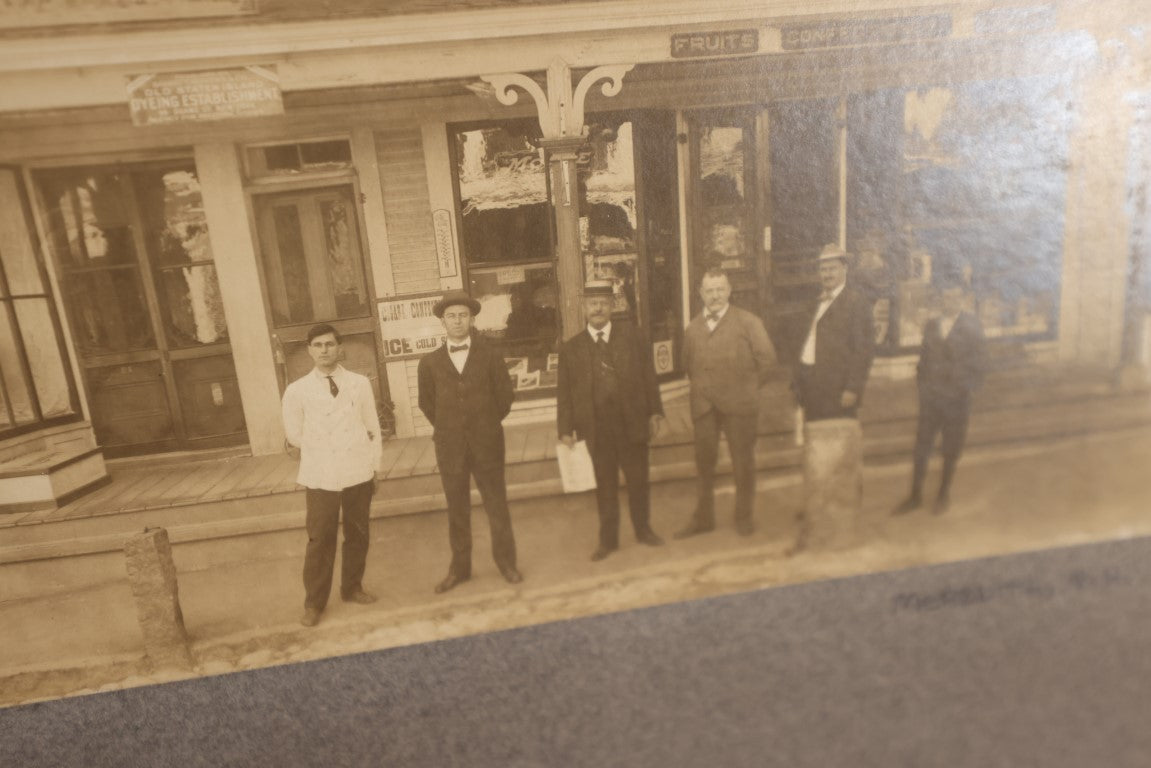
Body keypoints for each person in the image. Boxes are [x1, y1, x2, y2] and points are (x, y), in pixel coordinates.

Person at [418, 291, 522, 594]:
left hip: (487, 442)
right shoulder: (429, 363)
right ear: (442, 322)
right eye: (451, 316)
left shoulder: (490, 354)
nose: (458, 320)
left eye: (463, 315)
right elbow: (428, 404)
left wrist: (484, 425)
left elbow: (505, 397)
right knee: (457, 508)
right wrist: (451, 428)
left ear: (472, 319)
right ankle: (460, 569)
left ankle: (506, 563)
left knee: (496, 505)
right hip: (450, 447)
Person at [282, 324, 383, 628]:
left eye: (329, 344)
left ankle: (352, 588)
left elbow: (372, 427)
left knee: (357, 533)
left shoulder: (359, 383)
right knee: (320, 538)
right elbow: (295, 435)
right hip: (321, 474)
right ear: (309, 350)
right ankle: (314, 603)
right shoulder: (297, 390)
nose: (324, 350)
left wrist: (374, 467)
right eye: (318, 345)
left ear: (340, 348)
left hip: (357, 470)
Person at [557, 280, 666, 561]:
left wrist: (655, 411)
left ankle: (644, 530)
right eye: (592, 303)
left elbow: (648, 378)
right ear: (583, 308)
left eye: (604, 302)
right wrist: (565, 429)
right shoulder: (572, 349)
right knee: (605, 486)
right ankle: (608, 541)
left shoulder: (633, 338)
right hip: (596, 428)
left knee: (638, 481)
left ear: (613, 306)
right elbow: (565, 394)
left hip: (632, 423)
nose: (598, 308)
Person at [674, 268, 776, 539]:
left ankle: (743, 517)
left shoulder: (748, 322)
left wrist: (747, 390)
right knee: (704, 463)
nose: (715, 295)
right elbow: (687, 365)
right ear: (701, 294)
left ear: (729, 291)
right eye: (709, 290)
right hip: (704, 407)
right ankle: (704, 518)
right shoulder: (693, 328)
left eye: (720, 289)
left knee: (742, 462)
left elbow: (767, 361)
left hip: (739, 406)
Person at [894, 280, 987, 515]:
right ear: (940, 299)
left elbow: (981, 362)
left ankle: (943, 494)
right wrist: (923, 387)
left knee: (950, 448)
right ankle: (915, 496)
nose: (950, 301)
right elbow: (923, 360)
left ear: (963, 299)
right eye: (946, 297)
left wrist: (967, 388)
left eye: (955, 297)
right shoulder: (931, 325)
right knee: (921, 448)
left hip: (957, 400)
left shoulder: (972, 325)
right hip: (932, 400)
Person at [793, 244, 876, 422]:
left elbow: (863, 351)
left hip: (838, 388)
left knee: (837, 441)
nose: (827, 274)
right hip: (811, 384)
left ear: (845, 269)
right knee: (815, 439)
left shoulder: (856, 303)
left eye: (833, 269)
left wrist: (852, 388)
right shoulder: (815, 302)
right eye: (823, 270)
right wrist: (798, 382)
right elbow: (806, 343)